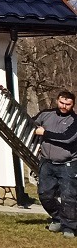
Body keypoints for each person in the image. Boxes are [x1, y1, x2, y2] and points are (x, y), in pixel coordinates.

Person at [33, 89, 77, 237]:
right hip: (47, 162)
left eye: (68, 104)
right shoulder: (46, 114)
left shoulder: (75, 121)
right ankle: (58, 218)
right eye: (61, 102)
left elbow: (67, 138)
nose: (64, 106)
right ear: (57, 101)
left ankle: (69, 227)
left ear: (72, 105)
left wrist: (44, 133)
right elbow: (32, 124)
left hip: (68, 164)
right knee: (44, 194)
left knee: (69, 197)